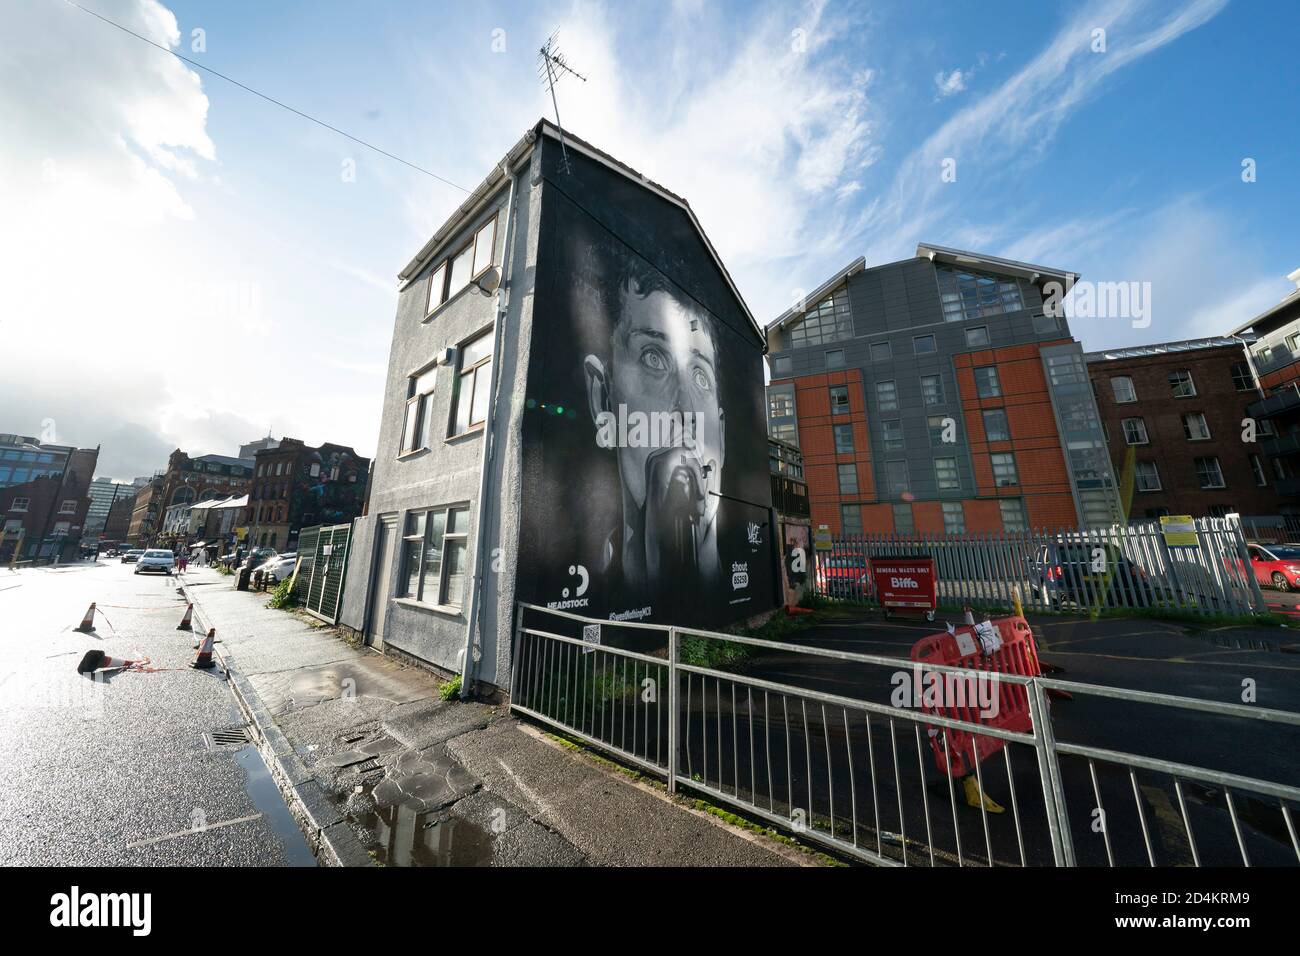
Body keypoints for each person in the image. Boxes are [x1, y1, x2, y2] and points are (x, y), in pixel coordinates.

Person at [582, 254, 726, 614]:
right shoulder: (591, 579)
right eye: (653, 357)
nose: (686, 410)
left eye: (700, 375)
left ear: (721, 436)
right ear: (603, 397)